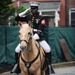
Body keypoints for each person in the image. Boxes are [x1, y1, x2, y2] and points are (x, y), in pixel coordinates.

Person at [10, 1, 55, 74]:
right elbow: (17, 18)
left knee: (48, 49)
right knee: (17, 50)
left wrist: (37, 35)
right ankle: (17, 65)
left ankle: (49, 66)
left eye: (34, 9)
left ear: (37, 9)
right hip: (28, 38)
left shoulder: (41, 18)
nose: (32, 10)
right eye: (31, 9)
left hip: (38, 37)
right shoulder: (28, 17)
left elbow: (41, 29)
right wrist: (24, 12)